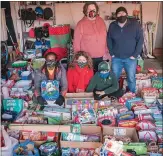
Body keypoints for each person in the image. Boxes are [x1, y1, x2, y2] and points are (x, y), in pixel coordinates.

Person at [107, 6, 144, 93]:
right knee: (115, 77)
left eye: (123, 13)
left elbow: (140, 40)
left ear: (127, 14)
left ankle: (132, 95)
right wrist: (111, 52)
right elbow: (108, 39)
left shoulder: (135, 24)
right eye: (119, 13)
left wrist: (135, 54)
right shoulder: (112, 25)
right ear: (116, 16)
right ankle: (114, 94)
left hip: (130, 58)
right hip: (116, 57)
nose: (121, 15)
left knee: (131, 77)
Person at [73, 2, 110, 72]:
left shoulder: (101, 21)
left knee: (99, 78)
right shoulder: (81, 24)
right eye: (89, 9)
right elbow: (76, 43)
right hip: (87, 58)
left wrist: (106, 52)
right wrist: (78, 58)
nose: (92, 11)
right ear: (85, 11)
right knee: (88, 79)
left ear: (96, 10)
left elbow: (105, 37)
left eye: (94, 9)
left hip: (100, 56)